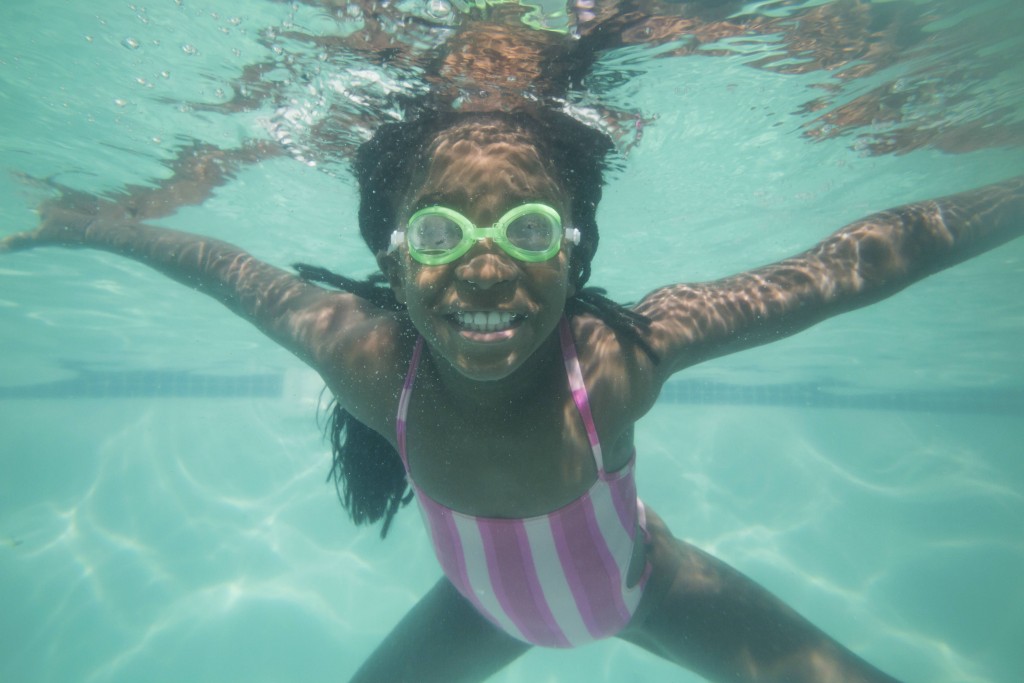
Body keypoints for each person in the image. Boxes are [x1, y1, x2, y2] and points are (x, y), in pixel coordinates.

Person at [3, 99, 1022, 681]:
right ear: (393, 263)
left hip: (648, 587)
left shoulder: (616, 363)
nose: (484, 271)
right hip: (480, 610)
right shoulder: (371, 367)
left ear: (574, 257)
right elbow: (222, 269)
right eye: (442, 237)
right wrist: (94, 223)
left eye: (528, 231)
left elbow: (865, 261)